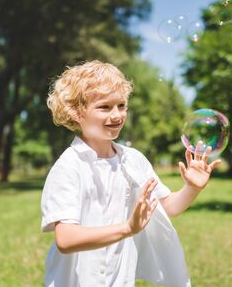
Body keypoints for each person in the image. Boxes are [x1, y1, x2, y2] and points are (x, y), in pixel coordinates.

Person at [41, 60, 221, 287]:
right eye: (104, 107)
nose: (117, 115)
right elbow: (65, 239)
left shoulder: (133, 160)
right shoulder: (69, 166)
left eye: (121, 105)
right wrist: (127, 228)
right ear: (77, 112)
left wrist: (192, 188)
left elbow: (167, 207)